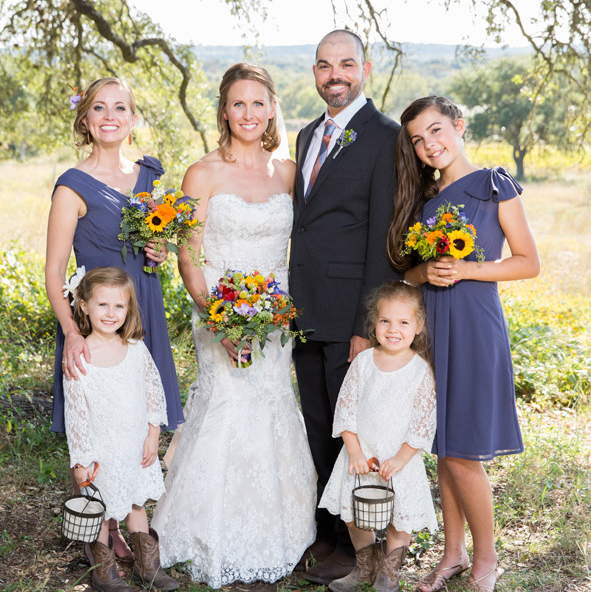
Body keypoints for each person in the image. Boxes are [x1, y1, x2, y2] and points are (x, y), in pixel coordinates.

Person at [150, 63, 317, 588]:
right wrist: (216, 318)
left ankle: (284, 531)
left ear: (272, 109)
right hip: (217, 311)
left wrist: (276, 310)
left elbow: (301, 249)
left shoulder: (289, 173)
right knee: (225, 403)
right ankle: (207, 530)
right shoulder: (203, 173)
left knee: (271, 402)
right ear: (224, 110)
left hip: (275, 315)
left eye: (258, 103)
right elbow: (189, 257)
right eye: (238, 104)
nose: (248, 113)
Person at [387, 96, 540, 592]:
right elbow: (409, 274)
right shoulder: (428, 203)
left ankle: (487, 560)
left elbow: (527, 262)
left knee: (461, 453)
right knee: (442, 445)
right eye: (417, 139)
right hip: (434, 329)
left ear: (459, 126)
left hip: (474, 326)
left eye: (436, 131)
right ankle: (452, 554)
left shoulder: (495, 186)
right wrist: (424, 271)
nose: (429, 144)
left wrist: (468, 269)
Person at [45, 77, 184, 568]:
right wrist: (72, 333)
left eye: (120, 107)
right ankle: (99, 532)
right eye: (99, 108)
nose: (110, 116)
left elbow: (159, 244)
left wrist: (159, 250)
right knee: (99, 418)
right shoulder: (72, 186)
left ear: (132, 117)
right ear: (85, 119)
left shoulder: (149, 176)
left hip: (141, 308)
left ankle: (130, 517)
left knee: (137, 411)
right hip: (95, 320)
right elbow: (53, 271)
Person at [289, 29, 402, 584]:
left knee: (348, 430)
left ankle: (354, 544)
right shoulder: (307, 133)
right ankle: (326, 532)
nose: (335, 74)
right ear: (314, 72)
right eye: (324, 65)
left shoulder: (386, 136)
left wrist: (367, 326)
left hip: (349, 314)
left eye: (346, 64)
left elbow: (383, 233)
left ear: (366, 68)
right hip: (303, 310)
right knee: (315, 424)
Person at [63, 267, 179, 592]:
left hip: (134, 446)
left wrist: (153, 433)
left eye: (119, 306)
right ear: (83, 305)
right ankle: (104, 572)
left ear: (129, 309)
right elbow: (76, 414)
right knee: (99, 508)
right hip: (101, 452)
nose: (111, 313)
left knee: (137, 503)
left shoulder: (135, 348)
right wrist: (81, 459)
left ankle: (148, 566)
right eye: (102, 305)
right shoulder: (79, 357)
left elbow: (154, 391)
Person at [319, 281, 438, 592]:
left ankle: (389, 572)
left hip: (399, 460)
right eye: (385, 321)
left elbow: (423, 423)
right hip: (361, 455)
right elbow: (345, 409)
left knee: (399, 519)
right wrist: (355, 452)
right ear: (373, 323)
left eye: (403, 322)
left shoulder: (420, 370)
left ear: (419, 326)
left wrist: (400, 459)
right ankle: (365, 567)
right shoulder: (363, 362)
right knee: (354, 515)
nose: (392, 329)